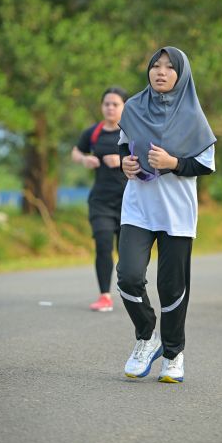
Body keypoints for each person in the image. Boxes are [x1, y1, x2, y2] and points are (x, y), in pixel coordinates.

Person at [117, 46, 216, 382]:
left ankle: (173, 354)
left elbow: (205, 164)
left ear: (181, 74)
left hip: (177, 214)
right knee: (128, 276)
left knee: (172, 287)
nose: (161, 72)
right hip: (138, 208)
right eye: (155, 66)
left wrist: (174, 163)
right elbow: (125, 144)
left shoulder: (193, 116)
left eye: (169, 67)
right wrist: (125, 163)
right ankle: (147, 336)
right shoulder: (133, 107)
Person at [71, 86, 128, 312]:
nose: (110, 108)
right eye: (107, 104)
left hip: (129, 202)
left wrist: (121, 161)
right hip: (101, 201)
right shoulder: (93, 133)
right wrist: (84, 160)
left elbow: (146, 158)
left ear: (124, 107)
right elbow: (76, 152)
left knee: (127, 253)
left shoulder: (132, 132)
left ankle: (131, 292)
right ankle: (105, 296)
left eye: (115, 104)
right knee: (103, 246)